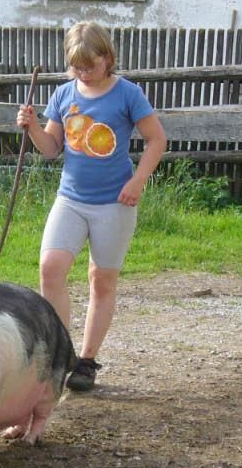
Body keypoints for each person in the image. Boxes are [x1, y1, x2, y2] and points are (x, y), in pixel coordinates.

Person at [17, 21, 167, 391]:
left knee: (101, 279)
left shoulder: (128, 94)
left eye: (90, 64)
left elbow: (156, 140)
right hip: (71, 198)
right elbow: (52, 150)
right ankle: (58, 353)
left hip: (115, 201)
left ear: (107, 57)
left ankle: (86, 362)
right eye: (77, 66)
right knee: (51, 268)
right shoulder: (64, 95)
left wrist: (138, 181)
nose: (84, 72)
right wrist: (33, 127)